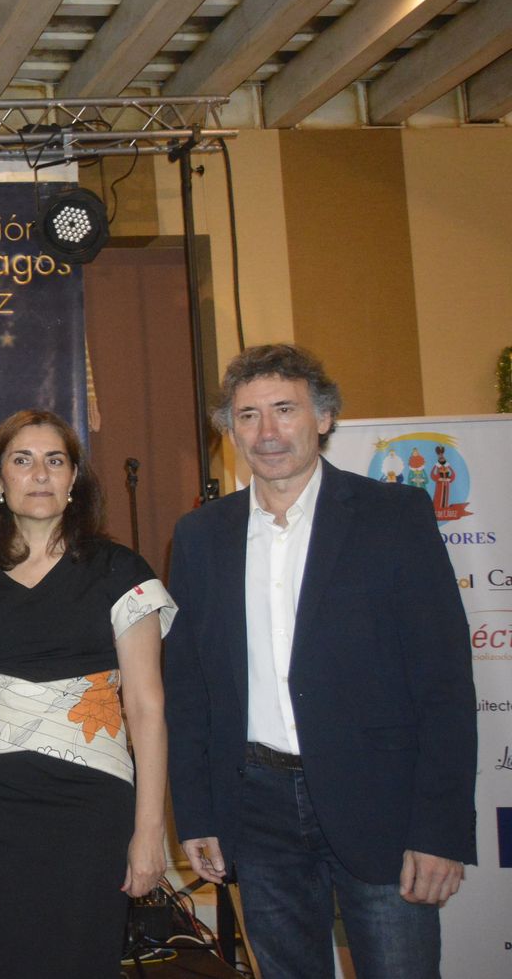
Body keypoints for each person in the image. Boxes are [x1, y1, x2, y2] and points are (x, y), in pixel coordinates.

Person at [166, 343, 476, 978]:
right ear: (231, 431)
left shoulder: (394, 517)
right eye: (248, 415)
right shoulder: (200, 536)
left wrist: (440, 831)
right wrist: (197, 815)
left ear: (325, 418)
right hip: (256, 810)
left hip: (383, 804)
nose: (267, 432)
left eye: (285, 409)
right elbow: (191, 688)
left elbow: (443, 684)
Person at [0, 409, 174, 978]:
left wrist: (150, 831)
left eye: (55, 460)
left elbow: (147, 709)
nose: (40, 474)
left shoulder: (120, 572)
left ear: (74, 480)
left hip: (88, 813)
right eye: (22, 460)